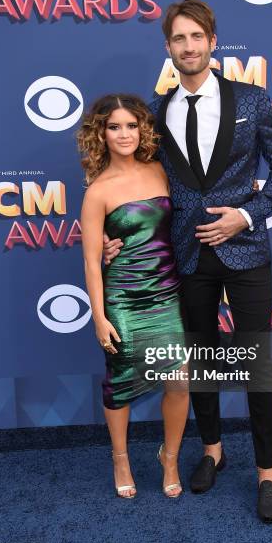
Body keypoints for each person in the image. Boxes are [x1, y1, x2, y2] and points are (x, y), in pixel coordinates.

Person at [103, 0, 272, 522]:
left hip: (246, 250)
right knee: (202, 361)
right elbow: (137, 185)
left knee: (256, 364)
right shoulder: (155, 111)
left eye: (197, 37)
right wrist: (117, 234)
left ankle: (268, 475)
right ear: (167, 48)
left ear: (212, 41)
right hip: (187, 255)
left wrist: (246, 215)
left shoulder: (253, 101)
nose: (188, 47)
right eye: (178, 39)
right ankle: (212, 449)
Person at [78, 94, 189, 499]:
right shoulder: (97, 191)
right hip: (123, 300)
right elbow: (92, 262)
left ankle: (170, 457)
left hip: (167, 294)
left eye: (131, 125)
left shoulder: (160, 170)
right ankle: (120, 457)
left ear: (142, 128)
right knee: (120, 383)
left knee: (178, 382)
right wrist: (99, 317)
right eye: (114, 126)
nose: (124, 134)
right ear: (101, 134)